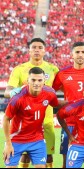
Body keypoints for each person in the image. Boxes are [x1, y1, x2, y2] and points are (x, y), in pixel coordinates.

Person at [4, 38, 59, 168]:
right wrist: (14, 92)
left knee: (48, 155)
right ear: (29, 50)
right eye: (34, 47)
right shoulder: (19, 69)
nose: (36, 50)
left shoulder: (53, 69)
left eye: (40, 47)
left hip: (46, 121)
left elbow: (63, 88)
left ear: (45, 51)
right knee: (25, 155)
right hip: (26, 122)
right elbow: (8, 91)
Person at [3, 67, 65, 168]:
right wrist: (8, 144)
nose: (36, 83)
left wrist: (77, 103)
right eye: (33, 80)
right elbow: (6, 119)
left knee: (41, 166)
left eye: (40, 80)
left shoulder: (50, 93)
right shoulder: (17, 98)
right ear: (28, 80)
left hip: (37, 139)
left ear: (44, 81)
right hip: (16, 139)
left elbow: (56, 104)